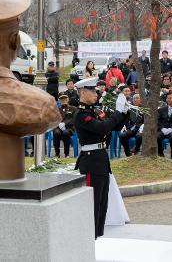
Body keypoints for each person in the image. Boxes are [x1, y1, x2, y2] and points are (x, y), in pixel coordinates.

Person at [74, 77, 128, 238]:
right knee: (93, 204)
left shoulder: (94, 111)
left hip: (101, 162)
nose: (96, 94)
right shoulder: (81, 114)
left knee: (102, 204)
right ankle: (89, 238)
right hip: (91, 162)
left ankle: (98, 236)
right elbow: (102, 128)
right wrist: (117, 113)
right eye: (92, 91)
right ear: (83, 92)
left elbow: (114, 126)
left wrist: (124, 112)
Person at [53, 92, 77, 158]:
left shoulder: (73, 108)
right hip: (58, 127)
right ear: (59, 101)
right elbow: (54, 119)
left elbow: (74, 119)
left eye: (65, 99)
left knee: (66, 133)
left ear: (68, 99)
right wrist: (58, 124)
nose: (63, 101)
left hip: (69, 127)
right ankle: (57, 153)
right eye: (62, 99)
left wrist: (65, 123)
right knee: (56, 132)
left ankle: (67, 154)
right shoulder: (56, 109)